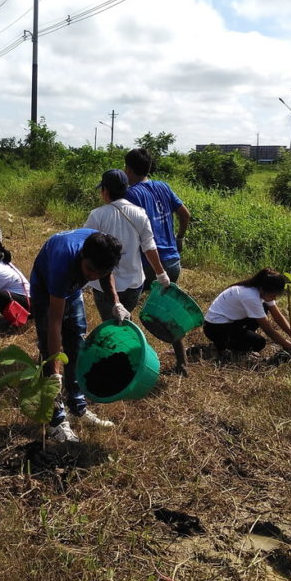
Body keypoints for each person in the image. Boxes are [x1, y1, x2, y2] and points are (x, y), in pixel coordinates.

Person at [30, 228, 124, 443]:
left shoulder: (102, 251)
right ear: (82, 255)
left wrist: (116, 302)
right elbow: (55, 322)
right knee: (49, 349)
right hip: (46, 291)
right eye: (90, 270)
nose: (92, 277)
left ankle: (77, 405)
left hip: (72, 292)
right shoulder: (63, 263)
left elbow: (104, 271)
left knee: (77, 345)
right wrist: (55, 370)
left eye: (98, 273)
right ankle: (56, 420)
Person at [124, 148, 192, 374]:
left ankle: (132, 358)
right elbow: (185, 214)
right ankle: (182, 363)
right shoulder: (163, 186)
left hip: (148, 262)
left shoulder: (131, 194)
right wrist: (179, 237)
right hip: (172, 261)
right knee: (168, 311)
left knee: (124, 308)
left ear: (128, 169)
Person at [84, 169, 170, 324]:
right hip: (134, 283)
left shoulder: (97, 215)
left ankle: (115, 346)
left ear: (105, 191)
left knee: (109, 325)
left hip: (104, 286)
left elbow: (85, 247)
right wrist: (161, 273)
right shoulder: (139, 213)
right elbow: (149, 246)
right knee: (126, 323)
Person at [203, 268, 291, 360]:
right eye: (273, 295)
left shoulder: (261, 290)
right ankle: (224, 347)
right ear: (262, 289)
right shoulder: (250, 296)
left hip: (229, 322)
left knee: (265, 307)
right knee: (258, 343)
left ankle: (239, 339)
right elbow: (268, 330)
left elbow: (277, 315)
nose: (275, 298)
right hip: (216, 329)